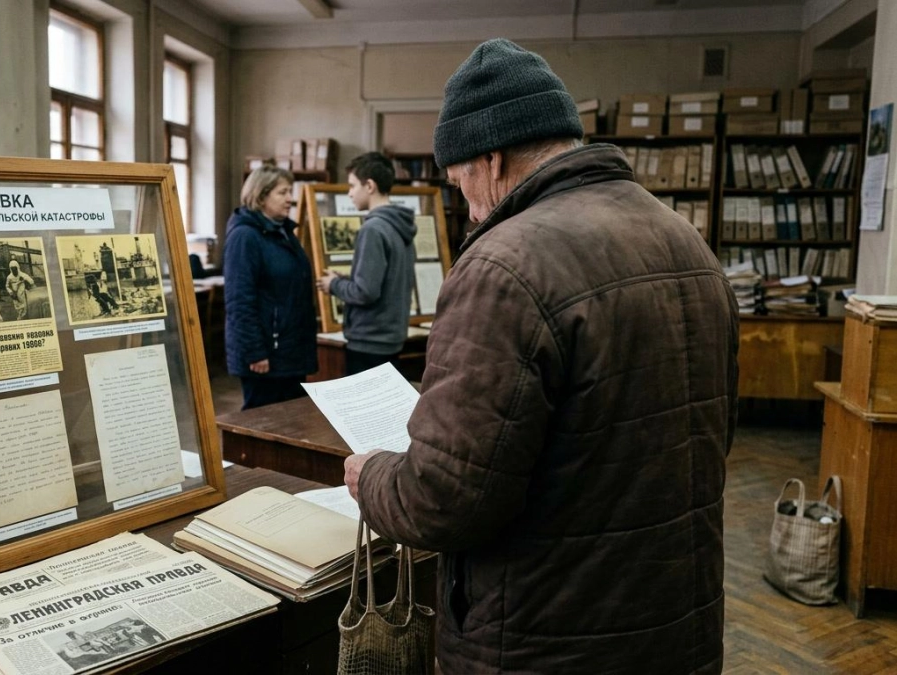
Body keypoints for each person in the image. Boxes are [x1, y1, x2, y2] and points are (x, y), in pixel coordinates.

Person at [343, 39, 738, 674]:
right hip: (676, 624)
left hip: (545, 637)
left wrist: (372, 478)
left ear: (492, 159)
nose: (468, 210)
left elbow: (441, 499)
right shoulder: (684, 239)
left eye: (461, 182)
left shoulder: (505, 266)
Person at [223, 166, 317, 409]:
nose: (290, 199)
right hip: (266, 356)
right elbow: (239, 301)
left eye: (290, 192)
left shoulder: (283, 232)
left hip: (290, 351)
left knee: (292, 422)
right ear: (261, 196)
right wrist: (255, 351)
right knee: (263, 425)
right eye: (282, 192)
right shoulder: (245, 237)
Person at [316, 152, 416, 374]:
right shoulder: (400, 226)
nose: (349, 193)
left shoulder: (373, 229)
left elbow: (365, 292)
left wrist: (333, 284)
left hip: (369, 343)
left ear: (369, 186)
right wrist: (344, 280)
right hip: (391, 339)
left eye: (352, 186)